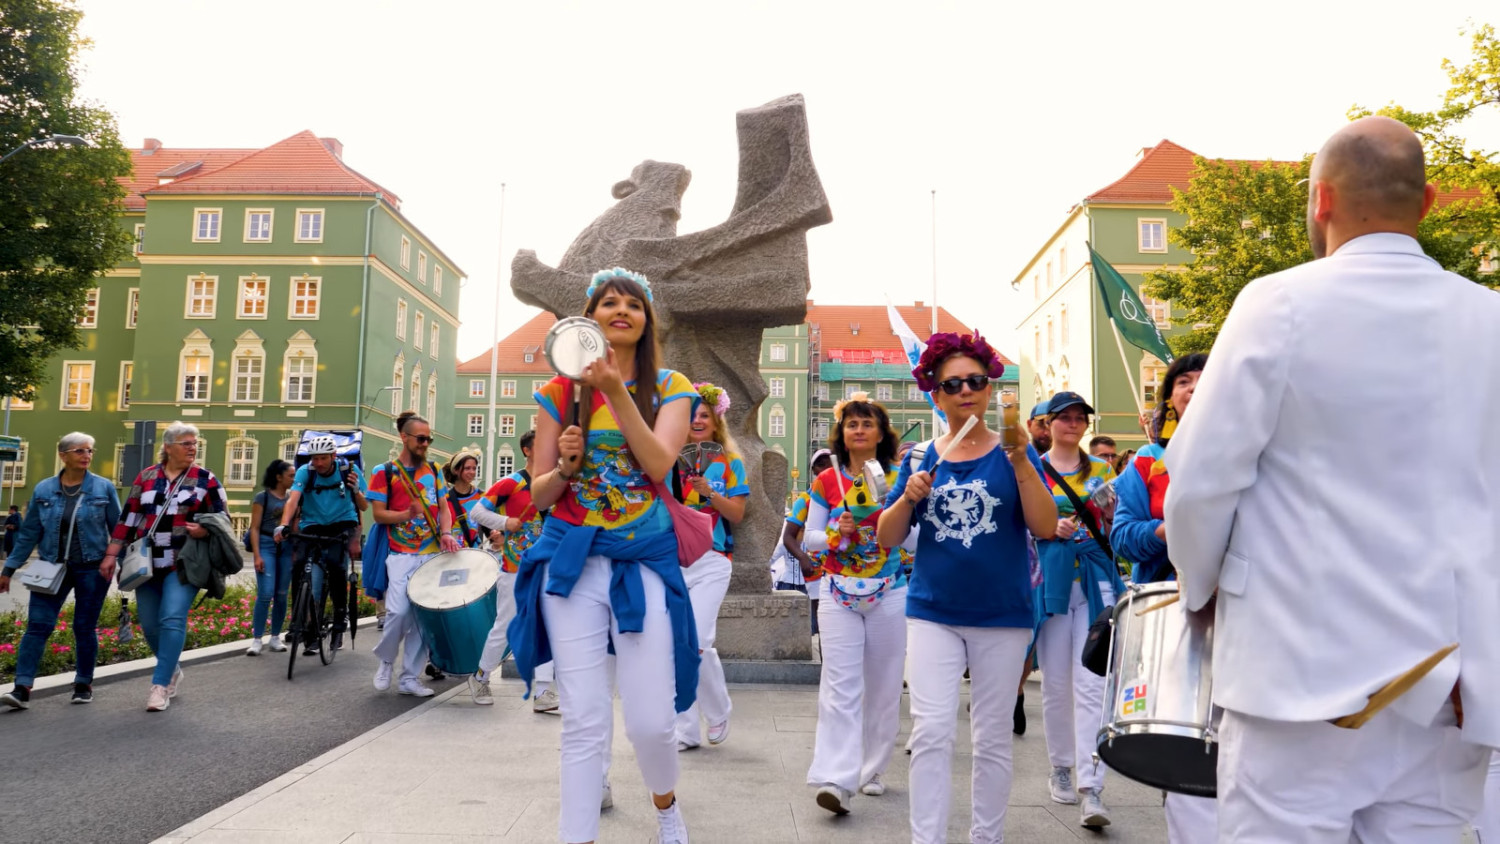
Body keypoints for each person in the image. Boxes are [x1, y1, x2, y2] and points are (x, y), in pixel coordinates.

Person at [1165, 116, 1500, 841]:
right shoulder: (1491, 318)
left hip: (1297, 673)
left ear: (1320, 200)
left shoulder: (1278, 303)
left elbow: (1198, 481)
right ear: (1428, 200)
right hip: (1450, 681)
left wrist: (1200, 590)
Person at [506, 267, 697, 844]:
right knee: (583, 718)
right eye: (608, 303)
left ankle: (665, 805)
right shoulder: (558, 393)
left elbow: (659, 464)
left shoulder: (672, 387)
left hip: (644, 562)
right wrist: (566, 467)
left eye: (633, 304)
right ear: (587, 320)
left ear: (646, 321)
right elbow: (539, 495)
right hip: (573, 562)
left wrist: (615, 389)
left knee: (651, 722)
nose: (621, 311)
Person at [877, 332, 1057, 844]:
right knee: (931, 732)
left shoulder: (1015, 452)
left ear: (989, 387)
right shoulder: (920, 457)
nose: (965, 391)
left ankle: (986, 838)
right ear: (936, 395)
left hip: (1002, 614)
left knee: (992, 738)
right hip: (933, 611)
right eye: (952, 384)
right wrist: (907, 499)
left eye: (975, 381)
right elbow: (887, 537)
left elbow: (1045, 526)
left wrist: (1021, 463)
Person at [1109, 352, 1217, 841]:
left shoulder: (1252, 448)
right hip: (1173, 613)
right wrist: (1165, 530)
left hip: (1246, 612)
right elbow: (1122, 536)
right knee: (1186, 745)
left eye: (1204, 379)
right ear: (1170, 399)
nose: (1193, 387)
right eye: (1183, 381)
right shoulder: (1148, 463)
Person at [803, 391, 914, 815]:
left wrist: (895, 514)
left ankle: (872, 769)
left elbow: (913, 540)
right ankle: (836, 776)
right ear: (842, 433)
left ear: (882, 433)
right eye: (852, 424)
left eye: (868, 423)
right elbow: (809, 539)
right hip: (837, 591)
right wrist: (837, 530)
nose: (860, 429)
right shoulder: (826, 481)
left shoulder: (898, 478)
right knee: (839, 685)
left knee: (884, 686)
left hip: (890, 590)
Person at [1033, 391, 1126, 829]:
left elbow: (1117, 525)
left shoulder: (1103, 471)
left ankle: (1092, 787)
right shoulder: (1033, 470)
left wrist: (1108, 515)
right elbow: (1022, 524)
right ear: (1048, 423)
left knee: (1092, 683)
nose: (1073, 424)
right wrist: (1048, 527)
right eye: (1064, 417)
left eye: (1079, 418)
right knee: (1055, 684)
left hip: (1095, 582)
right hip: (1051, 583)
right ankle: (1061, 767)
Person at [102, 422, 228, 712]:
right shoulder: (146, 477)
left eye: (195, 443)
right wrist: (111, 555)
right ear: (168, 447)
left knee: (172, 618)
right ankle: (171, 668)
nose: (192, 448)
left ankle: (160, 686)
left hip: (184, 563)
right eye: (186, 443)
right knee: (150, 625)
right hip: (146, 564)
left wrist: (204, 530)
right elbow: (128, 519)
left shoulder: (206, 479)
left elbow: (223, 519)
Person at [0, 433, 121, 709]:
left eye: (90, 451)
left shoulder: (103, 488)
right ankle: (21, 688)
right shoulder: (44, 489)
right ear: (63, 455)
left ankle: (83, 683)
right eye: (80, 451)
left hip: (92, 568)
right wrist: (9, 569)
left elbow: (118, 529)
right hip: (50, 566)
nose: (87, 455)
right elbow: (30, 532)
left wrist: (120, 562)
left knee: (84, 627)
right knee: (37, 626)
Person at [674, 381, 748, 751]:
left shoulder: (730, 462)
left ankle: (717, 711)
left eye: (704, 414)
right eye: (691, 415)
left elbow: (737, 513)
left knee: (698, 641)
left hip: (713, 560)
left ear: (716, 420)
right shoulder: (667, 459)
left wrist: (710, 492)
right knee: (677, 644)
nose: (697, 421)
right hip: (672, 560)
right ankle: (685, 729)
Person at [368, 413, 459, 697]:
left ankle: (409, 678)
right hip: (400, 553)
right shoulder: (384, 472)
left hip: (430, 554)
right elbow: (378, 515)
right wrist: (405, 515)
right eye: (420, 438)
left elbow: (443, 507)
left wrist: (446, 532)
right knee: (398, 611)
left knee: (422, 618)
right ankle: (386, 660)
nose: (425, 444)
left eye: (428, 439)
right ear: (404, 437)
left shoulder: (433, 470)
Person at [467, 431, 556, 709]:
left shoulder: (554, 484)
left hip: (547, 565)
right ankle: (481, 676)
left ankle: (543, 692)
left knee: (547, 626)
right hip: (515, 566)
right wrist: (506, 522)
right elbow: (477, 512)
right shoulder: (512, 482)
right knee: (506, 625)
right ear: (527, 450)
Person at [276, 434, 368, 654]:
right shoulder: (305, 472)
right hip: (313, 525)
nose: (318, 463)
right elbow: (293, 500)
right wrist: (283, 525)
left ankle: (339, 620)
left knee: (336, 567)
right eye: (315, 458)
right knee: (300, 567)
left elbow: (364, 506)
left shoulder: (348, 470)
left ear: (333, 456)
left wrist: (356, 490)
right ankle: (305, 626)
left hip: (342, 524)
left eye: (323, 458)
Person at [779, 449, 833, 634]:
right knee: (822, 622)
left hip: (846, 565)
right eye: (821, 464)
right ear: (814, 470)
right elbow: (788, 536)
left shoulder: (847, 494)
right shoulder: (805, 500)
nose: (827, 468)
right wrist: (802, 558)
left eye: (831, 463)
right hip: (817, 569)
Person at [246, 459, 294, 656]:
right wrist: (257, 555)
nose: (294, 479)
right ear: (278, 477)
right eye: (291, 475)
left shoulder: (293, 498)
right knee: (266, 593)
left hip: (286, 547)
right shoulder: (262, 497)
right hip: (266, 544)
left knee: (281, 594)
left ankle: (275, 637)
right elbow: (254, 528)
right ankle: (257, 639)